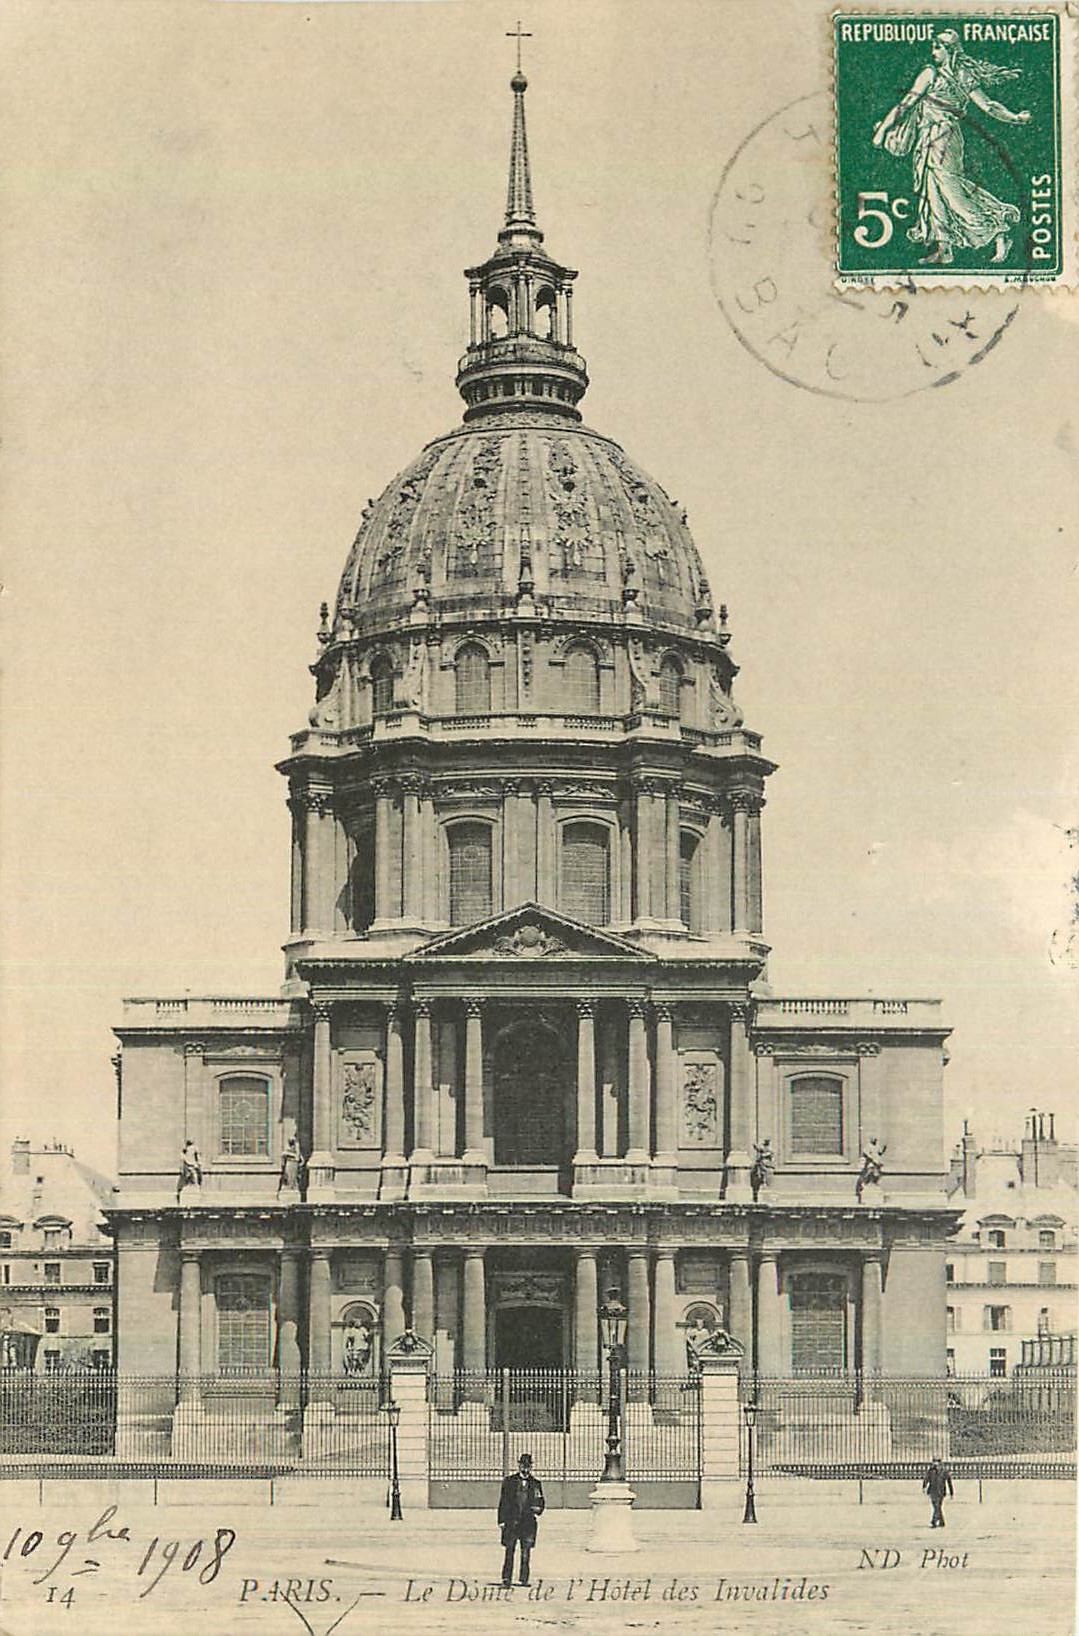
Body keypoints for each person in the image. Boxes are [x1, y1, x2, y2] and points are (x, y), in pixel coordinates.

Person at [871, 29, 1030, 265]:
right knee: (933, 191)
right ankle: (944, 248)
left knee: (950, 190)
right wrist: (884, 129)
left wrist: (1014, 118)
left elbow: (988, 105)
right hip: (928, 137)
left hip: (944, 138)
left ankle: (997, 230)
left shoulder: (955, 75)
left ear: (950, 50)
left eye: (938, 47)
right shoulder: (934, 73)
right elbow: (906, 103)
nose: (933, 52)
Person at [498, 1452, 545, 1588]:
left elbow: (541, 1501)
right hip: (511, 1522)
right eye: (523, 1465)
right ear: (519, 1466)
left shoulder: (536, 1484)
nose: (525, 1468)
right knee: (509, 1552)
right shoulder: (509, 1482)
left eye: (528, 1466)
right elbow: (503, 1502)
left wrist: (538, 1509)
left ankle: (524, 1579)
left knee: (526, 1553)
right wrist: (501, 1520)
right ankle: (506, 1579)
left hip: (528, 1523)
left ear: (531, 1467)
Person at [923, 1456, 954, 1527]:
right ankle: (941, 1521)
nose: (935, 1463)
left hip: (941, 1491)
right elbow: (926, 1479)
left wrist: (951, 1493)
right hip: (932, 1491)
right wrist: (924, 1487)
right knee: (936, 1507)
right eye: (934, 1462)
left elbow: (949, 1482)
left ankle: (933, 1521)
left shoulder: (944, 1471)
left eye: (936, 1462)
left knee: (937, 1506)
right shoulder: (931, 1471)